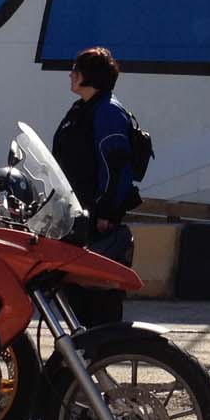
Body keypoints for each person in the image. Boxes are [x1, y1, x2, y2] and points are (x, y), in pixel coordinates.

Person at [51, 46, 140, 327]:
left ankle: (100, 345)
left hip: (96, 217)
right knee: (75, 288)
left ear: (90, 76)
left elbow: (116, 166)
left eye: (76, 71)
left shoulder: (108, 112)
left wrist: (107, 212)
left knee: (98, 292)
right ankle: (81, 346)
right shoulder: (82, 109)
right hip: (75, 214)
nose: (70, 75)